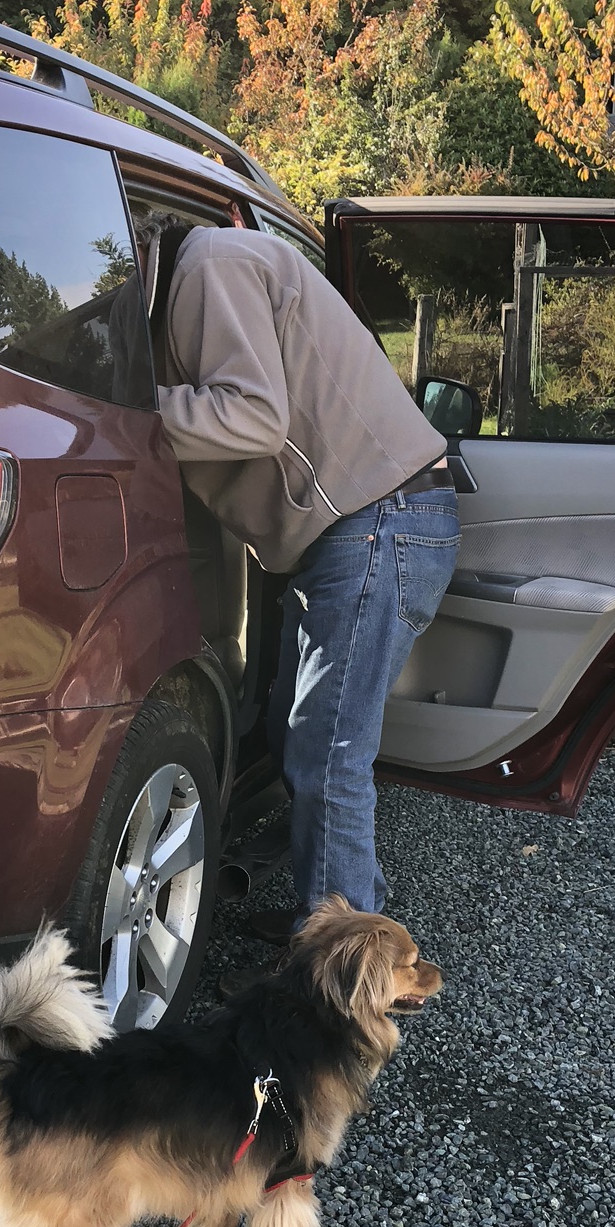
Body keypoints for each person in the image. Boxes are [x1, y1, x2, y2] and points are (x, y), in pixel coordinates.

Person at [149, 221, 461, 949]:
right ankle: (330, 920)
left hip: (376, 523)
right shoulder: (216, 265)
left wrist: (125, 411)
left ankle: (340, 972)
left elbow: (253, 417)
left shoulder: (208, 264)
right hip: (376, 523)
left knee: (327, 755)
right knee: (306, 741)